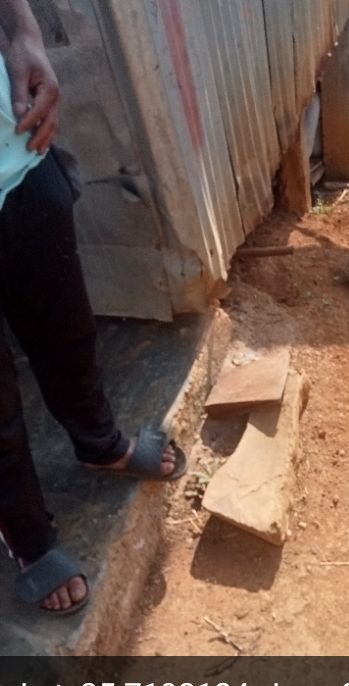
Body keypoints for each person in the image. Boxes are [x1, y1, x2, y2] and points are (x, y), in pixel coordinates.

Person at [0, 0, 186, 616]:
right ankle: (30, 538)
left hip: (14, 147)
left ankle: (99, 444)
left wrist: (23, 29)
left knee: (67, 328)